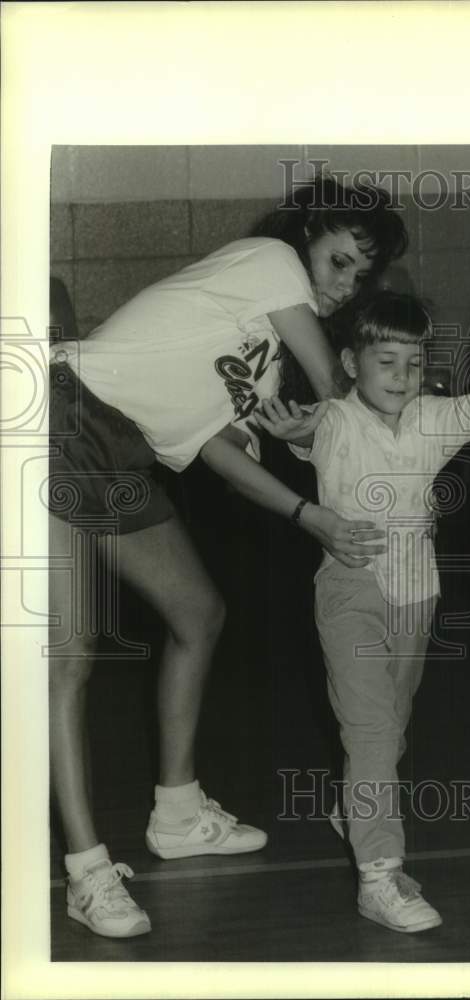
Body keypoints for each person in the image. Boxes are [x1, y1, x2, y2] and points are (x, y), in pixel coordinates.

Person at [48, 175, 407, 938]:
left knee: (198, 612)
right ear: (307, 237)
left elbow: (221, 451)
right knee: (70, 656)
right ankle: (85, 872)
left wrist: (310, 510)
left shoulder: (264, 364)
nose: (345, 286)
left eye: (359, 276)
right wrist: (380, 415)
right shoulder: (269, 260)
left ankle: (177, 814)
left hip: (119, 455)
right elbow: (337, 382)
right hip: (54, 416)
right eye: (339, 262)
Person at [256, 291, 470, 933]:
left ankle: (357, 805)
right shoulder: (339, 418)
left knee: (390, 727)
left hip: (417, 590)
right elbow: (314, 428)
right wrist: (294, 430)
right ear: (350, 361)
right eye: (386, 361)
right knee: (369, 732)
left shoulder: (428, 416)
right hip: (350, 589)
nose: (401, 376)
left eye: (414, 363)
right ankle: (379, 875)